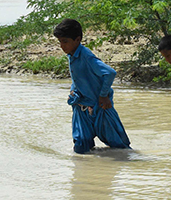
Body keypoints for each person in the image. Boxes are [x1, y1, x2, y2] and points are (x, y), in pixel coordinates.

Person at [53, 19, 131, 153]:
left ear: (77, 40)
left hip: (101, 107)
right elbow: (78, 78)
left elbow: (110, 73)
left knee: (120, 148)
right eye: (60, 42)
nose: (62, 46)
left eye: (65, 41)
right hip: (81, 106)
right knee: (81, 147)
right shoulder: (71, 55)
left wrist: (103, 95)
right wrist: (73, 91)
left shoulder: (87, 56)